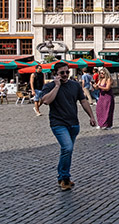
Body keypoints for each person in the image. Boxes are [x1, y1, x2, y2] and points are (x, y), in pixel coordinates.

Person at [40, 61, 96, 191]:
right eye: (62, 73)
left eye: (67, 72)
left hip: (73, 123)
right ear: (56, 74)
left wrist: (91, 117)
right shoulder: (49, 86)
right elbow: (46, 101)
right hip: (58, 123)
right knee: (67, 148)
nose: (65, 75)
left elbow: (83, 101)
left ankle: (62, 176)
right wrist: (57, 86)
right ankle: (64, 178)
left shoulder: (75, 85)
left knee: (67, 151)